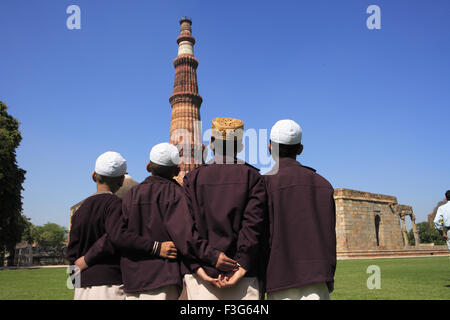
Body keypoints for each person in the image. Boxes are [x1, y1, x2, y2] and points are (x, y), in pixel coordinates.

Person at [78, 143, 237, 300]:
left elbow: (116, 234)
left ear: (148, 167)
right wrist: (211, 257)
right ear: (177, 170)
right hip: (163, 277)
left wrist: (87, 259)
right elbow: (185, 237)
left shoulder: (131, 195)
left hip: (132, 279)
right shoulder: (176, 194)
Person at [182, 117, 268, 300]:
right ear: (240, 146)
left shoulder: (192, 179)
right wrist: (241, 266)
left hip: (203, 276)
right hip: (243, 278)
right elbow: (252, 227)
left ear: (212, 143)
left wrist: (211, 259)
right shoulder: (253, 177)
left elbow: (188, 231)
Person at [263, 119, 336, 300]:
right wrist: (329, 274)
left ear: (269, 147)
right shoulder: (323, 185)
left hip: (279, 280)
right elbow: (329, 237)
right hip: (317, 280)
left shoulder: (264, 184)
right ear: (300, 149)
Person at [67, 151, 130, 300]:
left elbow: (71, 251)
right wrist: (88, 259)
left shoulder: (79, 211)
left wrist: (74, 281)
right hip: (110, 284)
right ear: (121, 180)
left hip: (82, 285)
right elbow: (115, 237)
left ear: (94, 175)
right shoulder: (116, 205)